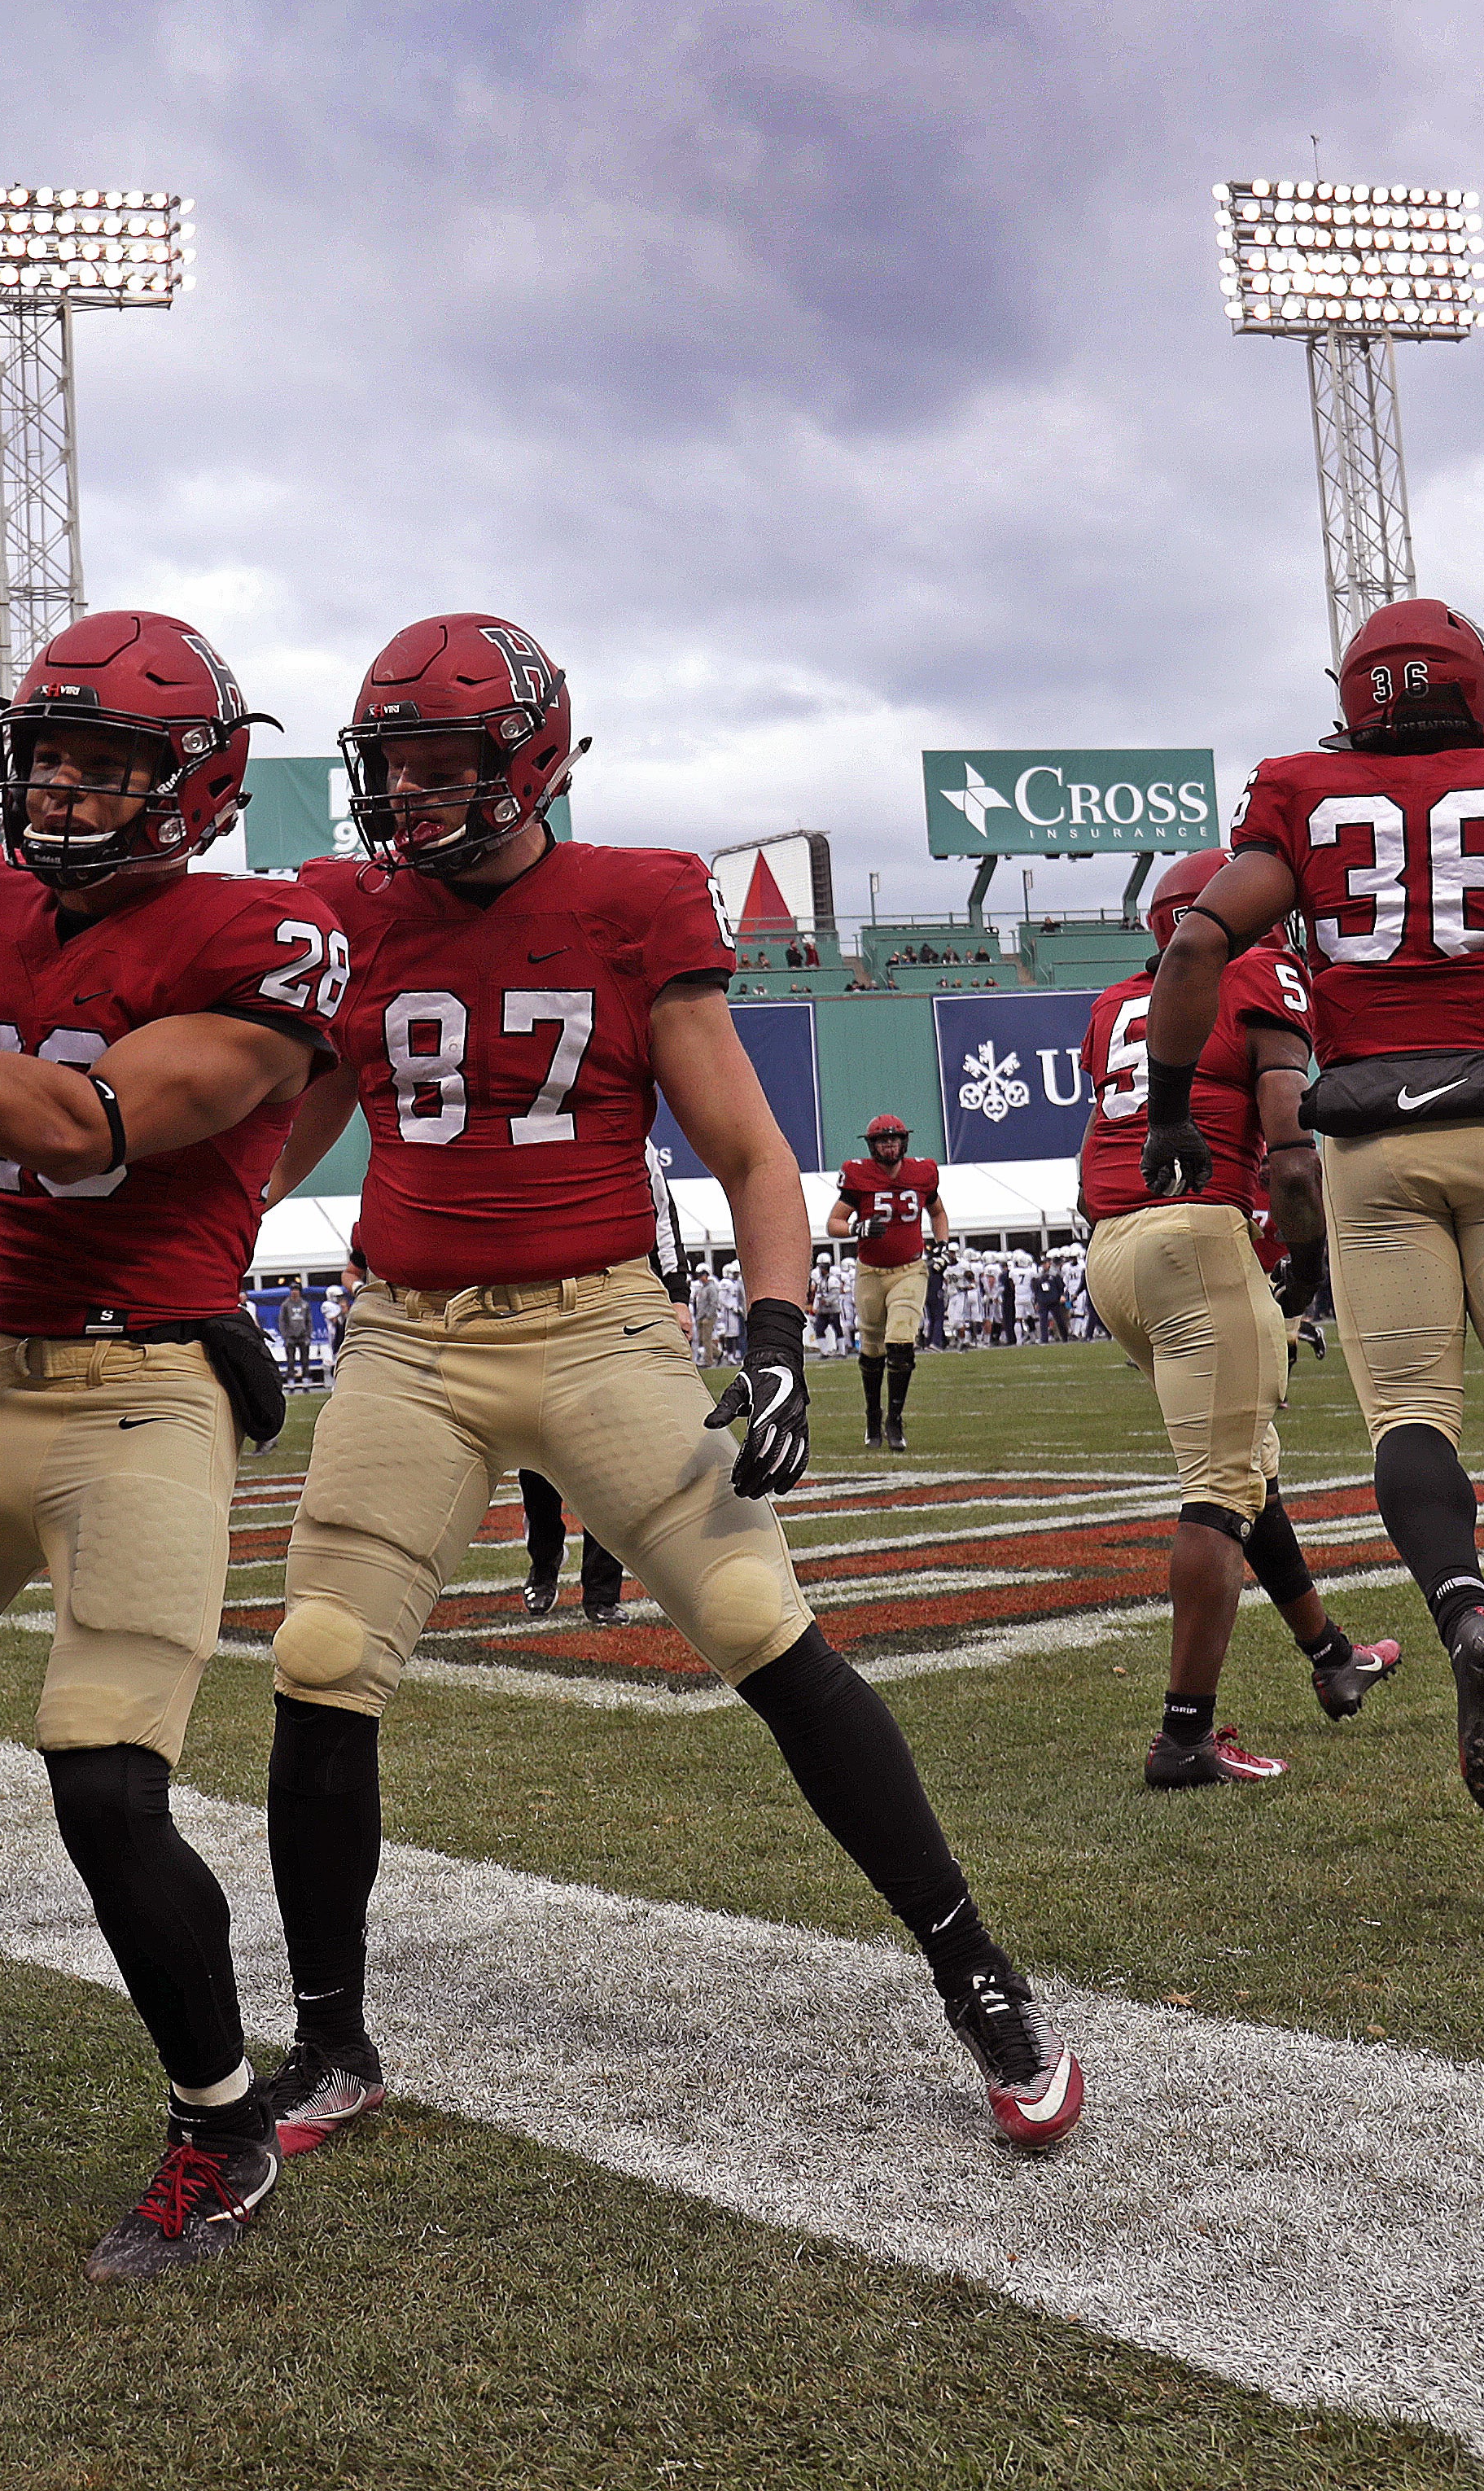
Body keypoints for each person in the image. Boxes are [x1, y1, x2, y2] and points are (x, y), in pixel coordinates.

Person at [255, 614, 1084, 2169]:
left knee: (762, 1626)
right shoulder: (347, 913)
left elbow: (754, 1150)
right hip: (406, 1335)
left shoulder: (633, 895)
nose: (414, 797)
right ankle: (329, 2032)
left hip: (595, 1327)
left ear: (533, 762)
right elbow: (288, 1125)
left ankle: (978, 1968)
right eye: (397, 769)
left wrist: (773, 1335)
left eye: (447, 766)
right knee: (318, 1650)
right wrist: (190, 1255)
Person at [0, 606, 336, 2283]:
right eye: (50, 760)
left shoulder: (267, 933)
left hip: (139, 1405)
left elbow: (68, 1122)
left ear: (198, 783)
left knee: (107, 1787)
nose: (72, 793)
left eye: (114, 767)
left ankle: (222, 2125)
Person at [1140, 599, 1484, 1854]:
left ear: (1356, 701)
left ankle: (1465, 1618)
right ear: (1482, 693)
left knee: (1410, 1418)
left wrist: (1174, 1113)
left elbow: (1194, 946)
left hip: (1370, 1150)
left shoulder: (1301, 793)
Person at [1073, 851, 1403, 1788]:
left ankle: (1332, 1656)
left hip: (1114, 1251)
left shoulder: (1112, 1007)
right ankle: (1185, 1737)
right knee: (1221, 1483)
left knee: (1246, 1465)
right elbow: (1293, 1158)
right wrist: (1306, 1262)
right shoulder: (1261, 971)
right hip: (1197, 1239)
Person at [822, 1112, 943, 1448]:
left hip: (910, 1269)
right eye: (882, 1141)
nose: (890, 1146)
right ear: (872, 1145)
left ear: (904, 1141)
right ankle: (873, 1416)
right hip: (871, 1273)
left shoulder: (922, 1172)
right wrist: (856, 1228)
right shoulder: (858, 1175)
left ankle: (895, 1420)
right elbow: (833, 1223)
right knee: (873, 1347)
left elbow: (938, 1212)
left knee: (901, 1341)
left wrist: (943, 1245)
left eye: (894, 1140)